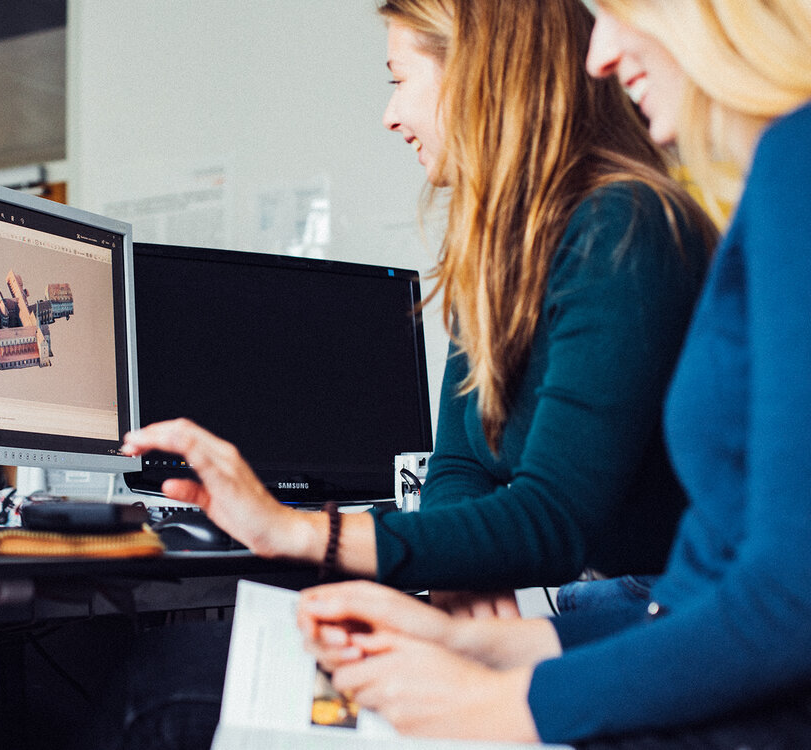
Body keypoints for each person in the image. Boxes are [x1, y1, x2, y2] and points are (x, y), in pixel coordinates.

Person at [296, 0, 811, 746]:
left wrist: (498, 704)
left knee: (178, 692)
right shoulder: (773, 179)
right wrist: (493, 646)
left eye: (615, 12)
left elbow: (779, 605)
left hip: (726, 683)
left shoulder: (762, 176)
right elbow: (708, 599)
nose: (596, 54)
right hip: (674, 639)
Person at [122, 0, 714, 616]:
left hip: (669, 608)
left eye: (398, 81)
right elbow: (458, 466)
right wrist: (456, 562)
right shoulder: (490, 256)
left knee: (175, 693)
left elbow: (556, 518)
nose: (390, 116)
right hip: (598, 600)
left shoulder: (623, 227)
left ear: (482, 73)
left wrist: (296, 530)